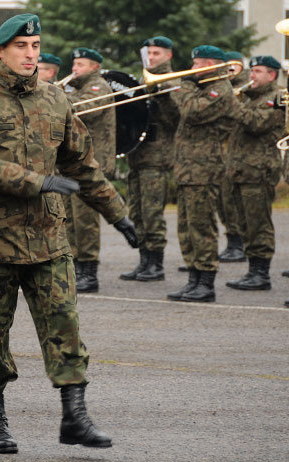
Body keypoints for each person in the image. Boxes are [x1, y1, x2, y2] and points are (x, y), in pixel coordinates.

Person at [0, 13, 138, 454]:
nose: (30, 55)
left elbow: (82, 165)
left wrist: (119, 215)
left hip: (48, 238)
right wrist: (37, 181)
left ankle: (74, 417)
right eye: (21, 47)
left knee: (65, 327)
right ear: (0, 51)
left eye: (35, 47)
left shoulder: (56, 99)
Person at [160, 45, 235, 302]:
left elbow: (193, 111)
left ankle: (206, 282)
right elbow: (178, 119)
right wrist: (162, 98)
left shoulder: (221, 89)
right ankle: (193, 279)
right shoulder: (199, 89)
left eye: (197, 64)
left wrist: (185, 85)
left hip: (204, 168)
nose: (192, 69)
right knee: (186, 227)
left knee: (202, 226)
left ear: (211, 65)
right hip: (187, 167)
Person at [120, 36, 179, 282]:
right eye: (149, 53)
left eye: (157, 53)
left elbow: (176, 120)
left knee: (152, 212)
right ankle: (144, 261)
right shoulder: (144, 80)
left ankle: (156, 263)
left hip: (158, 157)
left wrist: (161, 101)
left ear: (168, 56)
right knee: (137, 212)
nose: (152, 57)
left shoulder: (174, 82)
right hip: (138, 155)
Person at [224, 56, 284, 291]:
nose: (252, 76)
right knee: (245, 223)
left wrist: (232, 103)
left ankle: (261, 273)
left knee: (259, 223)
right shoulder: (250, 97)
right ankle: (252, 270)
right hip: (241, 170)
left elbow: (257, 123)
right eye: (252, 71)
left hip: (259, 170)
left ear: (272, 75)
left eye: (258, 71)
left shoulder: (278, 97)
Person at [64, 47, 116, 292]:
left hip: (92, 163)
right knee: (71, 219)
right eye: (74, 64)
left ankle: (89, 270)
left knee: (86, 219)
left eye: (81, 65)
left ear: (95, 67)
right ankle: (75, 264)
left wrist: (54, 97)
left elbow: (83, 109)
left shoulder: (98, 87)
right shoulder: (76, 89)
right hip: (75, 162)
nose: (75, 69)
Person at [217, 51, 249, 263]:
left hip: (241, 151)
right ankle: (232, 241)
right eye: (226, 66)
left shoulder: (248, 87)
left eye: (234, 66)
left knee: (235, 200)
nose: (230, 70)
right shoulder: (221, 86)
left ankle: (240, 243)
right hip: (223, 149)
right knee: (223, 200)